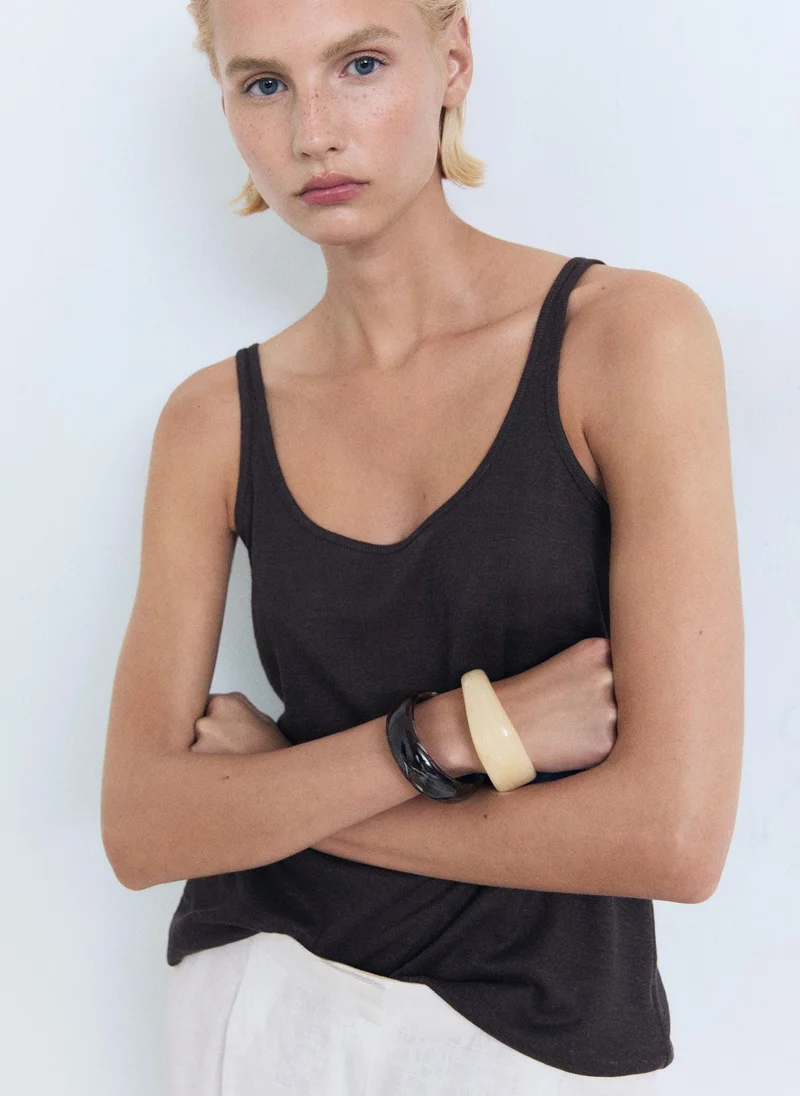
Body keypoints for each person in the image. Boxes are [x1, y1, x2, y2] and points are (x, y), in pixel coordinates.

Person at [100, 0, 744, 1093]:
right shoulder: (212, 420)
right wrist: (450, 735)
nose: (312, 132)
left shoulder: (627, 338)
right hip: (259, 1003)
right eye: (263, 84)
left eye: (358, 65)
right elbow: (143, 828)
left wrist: (277, 795)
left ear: (452, 60)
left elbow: (673, 839)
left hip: (536, 1034)